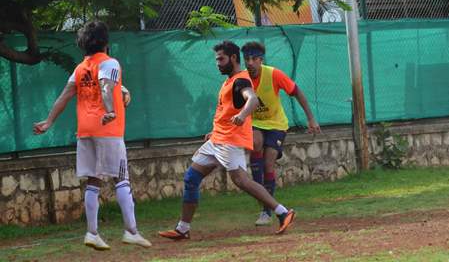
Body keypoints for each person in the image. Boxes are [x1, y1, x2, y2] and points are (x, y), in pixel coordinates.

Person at [158, 41, 295, 240]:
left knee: (242, 181)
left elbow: (253, 99)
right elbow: (225, 111)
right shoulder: (229, 81)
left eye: (221, 59)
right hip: (217, 140)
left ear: (232, 58)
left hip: (230, 141)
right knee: (191, 178)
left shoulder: (240, 80)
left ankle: (283, 212)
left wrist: (242, 116)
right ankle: (183, 228)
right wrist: (213, 132)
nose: (217, 63)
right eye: (216, 60)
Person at [33, 21, 151, 250]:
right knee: (121, 178)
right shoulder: (110, 63)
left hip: (85, 131)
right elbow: (106, 86)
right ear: (106, 42)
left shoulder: (80, 69)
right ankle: (131, 231)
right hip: (107, 130)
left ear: (82, 45)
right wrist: (109, 110)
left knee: (93, 181)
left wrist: (48, 121)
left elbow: (64, 97)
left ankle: (92, 232)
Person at [241, 41, 321, 226]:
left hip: (277, 124)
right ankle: (261, 198)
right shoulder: (241, 78)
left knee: (269, 163)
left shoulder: (274, 74)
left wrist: (311, 118)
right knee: (255, 142)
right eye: (247, 59)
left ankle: (266, 210)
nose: (250, 63)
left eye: (254, 59)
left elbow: (296, 91)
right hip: (256, 123)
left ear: (261, 60)